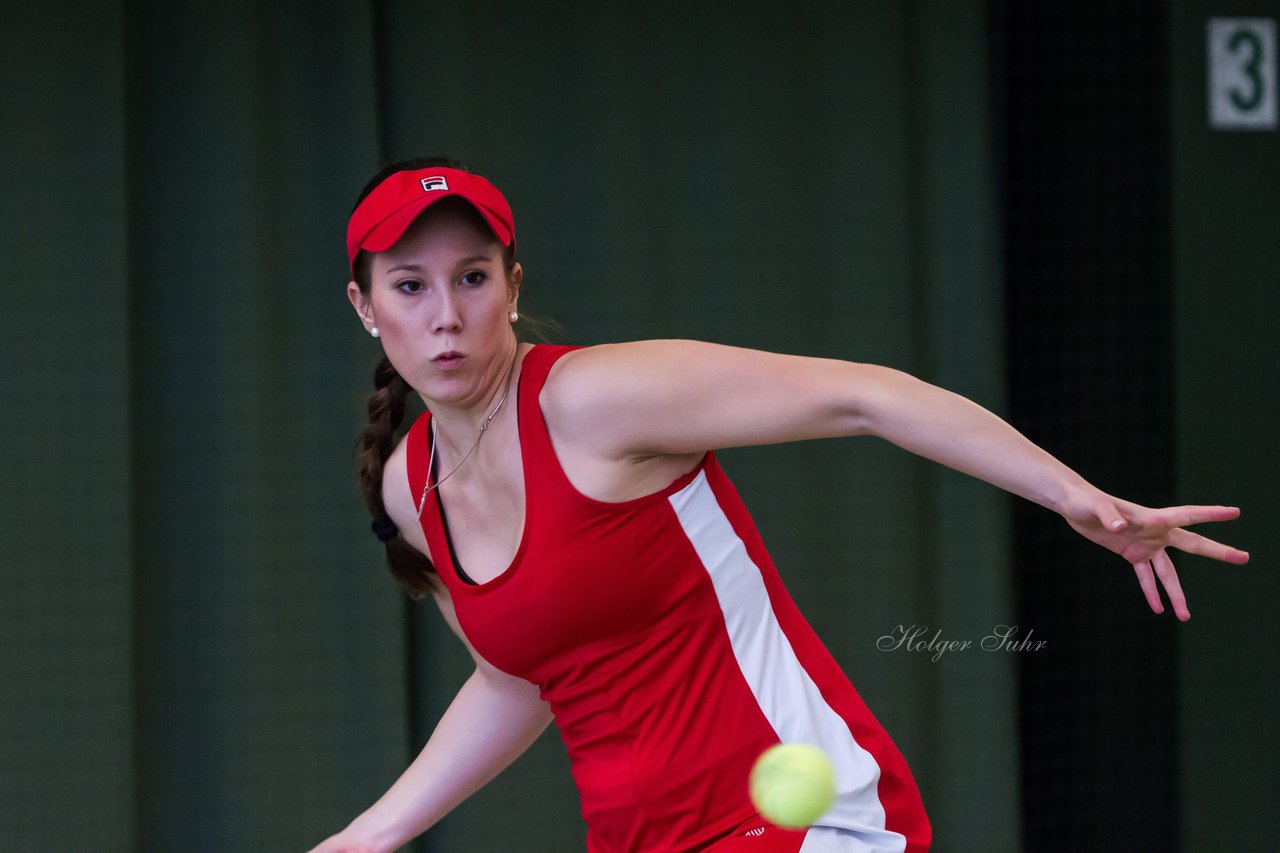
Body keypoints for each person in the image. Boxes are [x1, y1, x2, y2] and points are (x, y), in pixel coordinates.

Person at [308, 158, 1248, 853]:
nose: (445, 313)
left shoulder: (597, 399)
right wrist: (371, 833)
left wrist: (1070, 493)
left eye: (473, 277)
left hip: (812, 820)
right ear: (365, 306)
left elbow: (864, 394)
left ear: (513, 289)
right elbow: (520, 681)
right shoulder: (410, 485)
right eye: (410, 285)